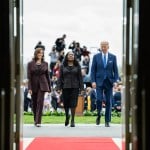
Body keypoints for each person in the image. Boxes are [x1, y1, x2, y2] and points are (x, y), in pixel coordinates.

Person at [90, 41, 119, 127]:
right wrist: (93, 81)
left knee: (108, 101)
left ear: (108, 46)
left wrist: (115, 81)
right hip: (98, 82)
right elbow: (93, 70)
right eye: (102, 46)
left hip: (109, 82)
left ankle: (107, 120)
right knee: (99, 99)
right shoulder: (96, 57)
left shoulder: (113, 57)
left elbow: (116, 71)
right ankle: (98, 114)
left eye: (105, 46)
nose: (103, 48)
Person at [57, 51, 84, 127]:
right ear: (67, 56)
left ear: (74, 56)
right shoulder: (62, 66)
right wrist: (58, 88)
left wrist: (82, 89)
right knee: (66, 104)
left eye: (72, 55)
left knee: (73, 104)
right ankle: (67, 117)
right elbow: (60, 77)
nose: (71, 56)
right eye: (69, 55)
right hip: (65, 87)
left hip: (75, 87)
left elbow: (80, 78)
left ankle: (72, 120)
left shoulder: (77, 65)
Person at [27, 47, 51, 127]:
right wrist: (29, 88)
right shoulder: (30, 64)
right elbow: (29, 77)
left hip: (43, 85)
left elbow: (47, 76)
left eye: (42, 53)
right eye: (39, 53)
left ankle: (38, 121)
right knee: (34, 103)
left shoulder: (45, 63)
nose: (41, 54)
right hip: (33, 85)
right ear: (36, 54)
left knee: (40, 102)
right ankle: (35, 119)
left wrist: (49, 88)